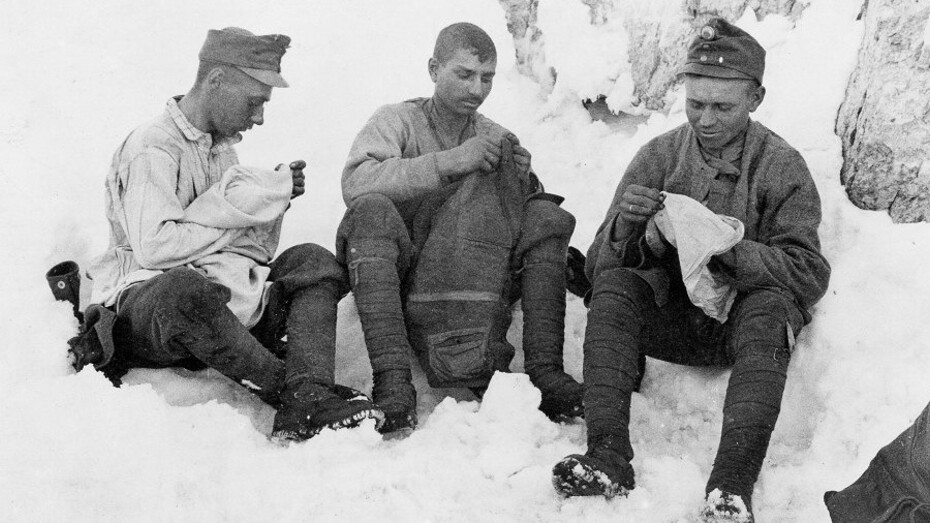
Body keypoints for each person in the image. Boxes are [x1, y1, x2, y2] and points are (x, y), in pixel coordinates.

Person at [551, 18, 831, 522]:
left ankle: (731, 488)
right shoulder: (658, 156)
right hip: (668, 324)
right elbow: (597, 268)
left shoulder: (782, 166)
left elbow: (808, 273)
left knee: (771, 307)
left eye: (722, 107)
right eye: (695, 103)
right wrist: (625, 227)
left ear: (756, 98)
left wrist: (722, 250)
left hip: (741, 333)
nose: (705, 119)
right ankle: (607, 456)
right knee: (615, 287)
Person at [72, 27, 383, 442]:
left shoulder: (223, 151)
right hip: (150, 309)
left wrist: (264, 206)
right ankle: (296, 394)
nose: (259, 117)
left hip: (219, 301)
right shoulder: (153, 147)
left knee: (311, 259)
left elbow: (240, 249)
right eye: (254, 101)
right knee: (184, 288)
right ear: (216, 80)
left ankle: (307, 391)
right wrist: (231, 211)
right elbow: (155, 248)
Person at [336, 22, 584, 435]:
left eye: (487, 77)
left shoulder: (496, 135)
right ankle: (394, 382)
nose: (477, 89)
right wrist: (451, 162)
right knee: (372, 212)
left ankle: (545, 372)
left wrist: (523, 182)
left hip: (473, 268)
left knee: (544, 215)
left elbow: (516, 219)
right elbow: (357, 184)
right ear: (434, 69)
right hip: (401, 267)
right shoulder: (397, 120)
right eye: (464, 74)